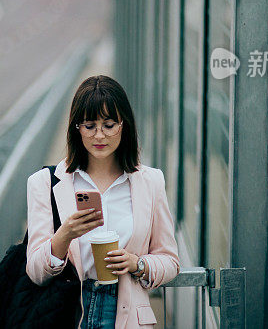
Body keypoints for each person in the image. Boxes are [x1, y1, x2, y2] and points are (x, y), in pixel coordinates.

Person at [26, 75, 180, 329]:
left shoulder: (150, 181)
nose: (99, 135)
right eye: (89, 125)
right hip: (68, 313)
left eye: (109, 125)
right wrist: (64, 236)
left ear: (124, 125)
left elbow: (170, 261)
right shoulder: (44, 183)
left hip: (127, 314)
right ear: (76, 128)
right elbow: (36, 272)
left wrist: (137, 264)